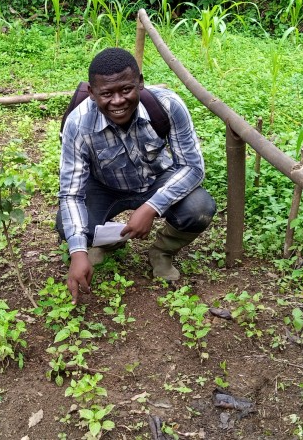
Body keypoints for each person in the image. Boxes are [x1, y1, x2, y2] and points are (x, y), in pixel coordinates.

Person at [56, 47, 216, 303]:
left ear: (140, 82)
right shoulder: (78, 124)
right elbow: (71, 193)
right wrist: (77, 252)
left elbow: (193, 167)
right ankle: (109, 241)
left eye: (126, 89)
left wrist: (152, 206)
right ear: (92, 93)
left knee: (199, 208)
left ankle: (161, 252)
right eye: (106, 93)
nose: (118, 101)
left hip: (156, 180)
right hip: (104, 186)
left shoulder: (167, 105)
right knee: (67, 225)